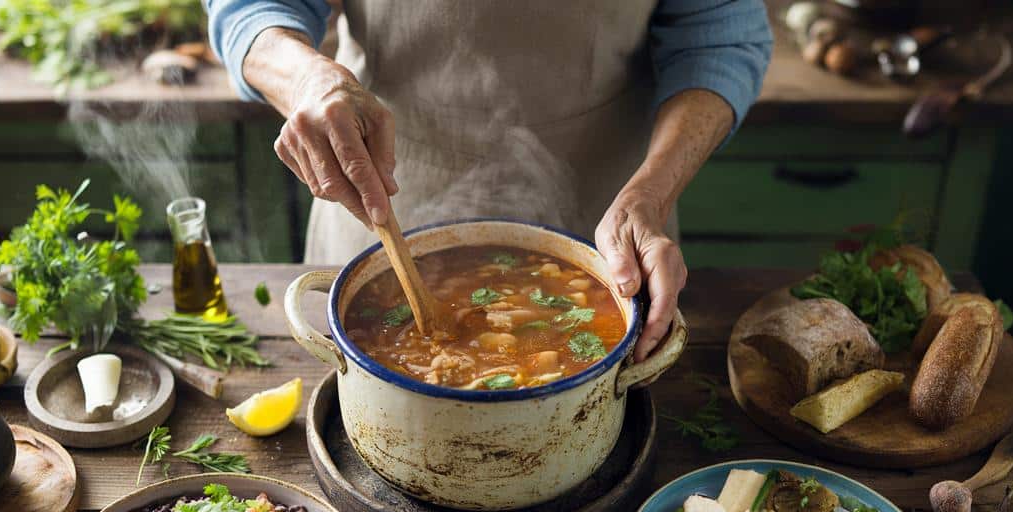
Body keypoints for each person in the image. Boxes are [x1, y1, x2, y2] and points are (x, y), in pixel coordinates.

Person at [206, 0, 772, 360]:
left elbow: (719, 39)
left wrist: (651, 193)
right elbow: (250, 8)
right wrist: (305, 79)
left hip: (610, 226)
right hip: (379, 202)